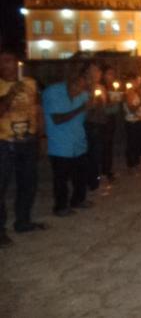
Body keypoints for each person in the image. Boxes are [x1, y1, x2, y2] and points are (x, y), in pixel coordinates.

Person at [0, 48, 46, 247]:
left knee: (28, 183)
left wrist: (42, 136)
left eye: (8, 60)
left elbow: (38, 109)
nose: (4, 64)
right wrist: (11, 93)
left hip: (28, 141)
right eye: (1, 61)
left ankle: (23, 221)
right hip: (5, 143)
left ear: (17, 63)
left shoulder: (30, 83)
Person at [42, 68, 92, 216]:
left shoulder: (83, 94)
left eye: (82, 88)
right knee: (61, 178)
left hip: (78, 141)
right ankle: (60, 207)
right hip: (60, 143)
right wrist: (81, 108)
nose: (79, 91)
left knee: (80, 175)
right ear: (69, 81)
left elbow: (87, 114)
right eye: (77, 86)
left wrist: (95, 104)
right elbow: (57, 119)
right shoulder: (53, 92)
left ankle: (78, 200)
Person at [83, 62, 107, 191]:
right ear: (87, 72)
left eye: (99, 71)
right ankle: (89, 181)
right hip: (89, 124)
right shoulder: (83, 88)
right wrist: (93, 102)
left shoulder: (101, 88)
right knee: (89, 153)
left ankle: (95, 179)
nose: (98, 73)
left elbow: (103, 107)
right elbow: (85, 108)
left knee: (97, 153)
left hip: (100, 123)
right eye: (94, 70)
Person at [123, 73, 141, 173]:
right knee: (132, 144)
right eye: (136, 81)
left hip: (137, 120)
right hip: (131, 122)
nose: (138, 83)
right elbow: (131, 109)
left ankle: (136, 163)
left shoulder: (135, 92)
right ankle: (131, 165)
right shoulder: (129, 93)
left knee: (137, 143)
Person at [101, 66, 121, 183]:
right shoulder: (102, 88)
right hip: (103, 120)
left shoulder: (113, 87)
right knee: (104, 146)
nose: (111, 76)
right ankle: (104, 171)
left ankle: (108, 169)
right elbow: (102, 107)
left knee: (109, 146)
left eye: (113, 74)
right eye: (109, 74)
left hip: (111, 119)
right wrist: (112, 103)